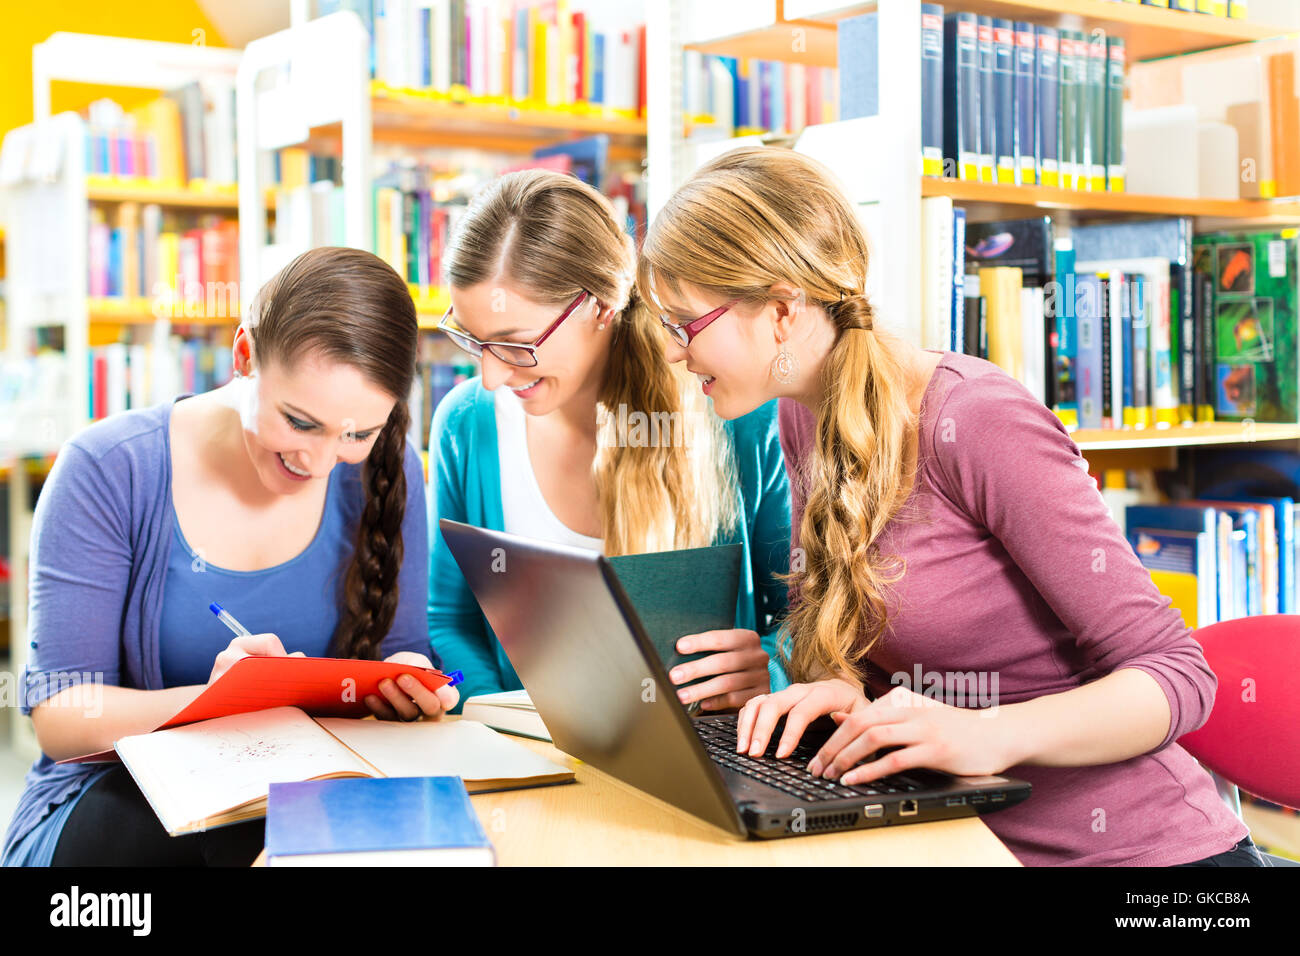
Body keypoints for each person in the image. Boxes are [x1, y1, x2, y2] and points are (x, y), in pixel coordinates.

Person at [634, 145, 1263, 867]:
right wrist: (825, 686)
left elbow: (1179, 673)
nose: (677, 353)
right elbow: (847, 628)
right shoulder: (801, 412)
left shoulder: (977, 419)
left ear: (781, 311)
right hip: (946, 840)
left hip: (1138, 859)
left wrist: (989, 733)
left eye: (685, 323)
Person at [2, 247, 456, 867]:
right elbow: (62, 716)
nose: (321, 462)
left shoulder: (390, 469)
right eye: (299, 422)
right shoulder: (108, 469)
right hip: (120, 813)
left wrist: (405, 681)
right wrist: (222, 702)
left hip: (306, 798)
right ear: (243, 357)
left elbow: (397, 652)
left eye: (357, 433)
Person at [428, 169, 791, 711]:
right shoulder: (465, 424)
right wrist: (503, 720)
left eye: (516, 344)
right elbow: (450, 619)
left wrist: (771, 668)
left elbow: (800, 616)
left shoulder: (736, 414)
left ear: (600, 305)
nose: (491, 376)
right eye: (473, 340)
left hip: (708, 756)